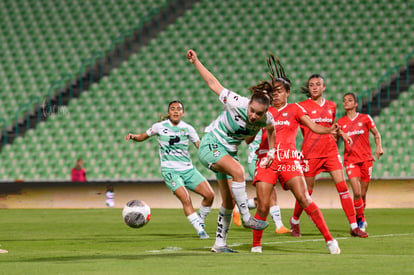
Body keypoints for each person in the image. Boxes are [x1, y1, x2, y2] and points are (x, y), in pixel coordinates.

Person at [187, 49, 276, 253]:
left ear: (266, 112)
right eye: (252, 111)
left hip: (228, 152)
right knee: (238, 172)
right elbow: (213, 83)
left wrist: (271, 152)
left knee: (228, 200)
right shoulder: (236, 102)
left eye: (258, 113)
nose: (253, 116)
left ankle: (219, 244)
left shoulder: (267, 119)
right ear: (249, 103)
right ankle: (246, 218)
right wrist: (196, 61)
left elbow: (272, 130)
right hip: (211, 144)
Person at [251, 54, 341, 254]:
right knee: (263, 205)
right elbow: (250, 138)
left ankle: (329, 240)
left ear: (287, 93)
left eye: (279, 91)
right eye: (272, 91)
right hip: (266, 159)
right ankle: (256, 245)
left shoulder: (295, 109)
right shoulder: (264, 112)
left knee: (304, 198)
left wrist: (329, 130)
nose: (275, 95)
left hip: (289, 159)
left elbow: (313, 127)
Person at [290, 74, 368, 238]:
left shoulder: (332, 106)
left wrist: (343, 133)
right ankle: (295, 221)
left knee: (343, 188)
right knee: (307, 192)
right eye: (311, 85)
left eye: (318, 84)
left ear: (324, 87)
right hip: (311, 154)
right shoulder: (301, 107)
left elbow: (333, 127)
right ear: (309, 88)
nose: (315, 87)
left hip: (331, 152)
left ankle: (354, 226)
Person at [124, 100, 214, 239]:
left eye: (179, 109)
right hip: (170, 171)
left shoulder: (188, 128)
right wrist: (133, 136)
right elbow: (142, 136)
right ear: (168, 112)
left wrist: (212, 155)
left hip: (188, 169)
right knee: (186, 198)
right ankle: (200, 230)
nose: (176, 111)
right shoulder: (159, 127)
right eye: (173, 109)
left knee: (210, 195)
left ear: (183, 113)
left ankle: (200, 221)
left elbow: (199, 146)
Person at [232, 114, 290, 234]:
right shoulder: (256, 122)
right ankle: (279, 225)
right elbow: (248, 140)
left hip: (267, 159)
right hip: (256, 161)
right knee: (269, 195)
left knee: (267, 197)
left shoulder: (270, 120)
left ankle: (239, 207)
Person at [337, 92, 383, 231]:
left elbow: (376, 134)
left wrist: (379, 147)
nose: (346, 102)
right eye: (344, 100)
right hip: (351, 161)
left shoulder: (365, 118)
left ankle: (360, 215)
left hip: (366, 160)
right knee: (356, 193)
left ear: (356, 104)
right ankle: (361, 220)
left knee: (362, 194)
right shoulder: (340, 123)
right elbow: (333, 140)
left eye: (349, 100)